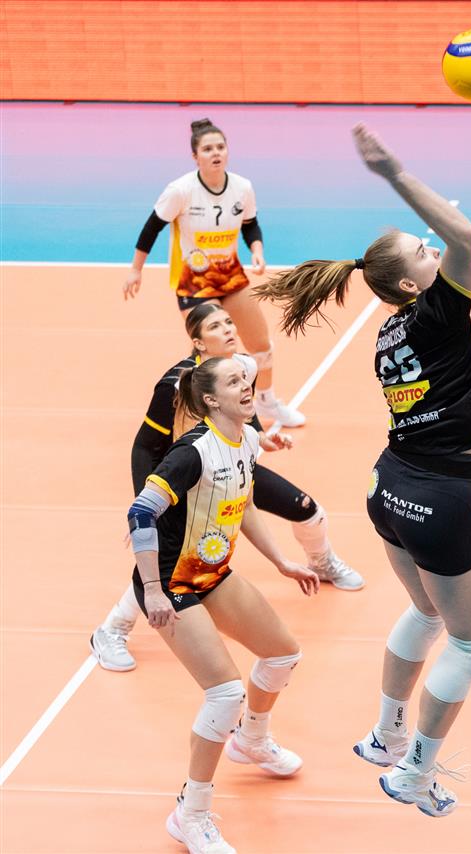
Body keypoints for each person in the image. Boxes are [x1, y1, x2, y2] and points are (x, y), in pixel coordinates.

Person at [256, 124, 471, 818]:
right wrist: (392, 172)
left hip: (388, 488)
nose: (435, 247)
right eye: (424, 251)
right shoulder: (439, 311)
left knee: (425, 610)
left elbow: (441, 413)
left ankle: (386, 735)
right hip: (438, 501)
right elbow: (467, 237)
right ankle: (415, 773)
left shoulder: (391, 332)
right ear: (415, 283)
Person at [91, 304, 364, 673]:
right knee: (175, 557)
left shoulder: (244, 367)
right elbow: (144, 445)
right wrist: (147, 501)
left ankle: (322, 562)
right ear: (199, 343)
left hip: (232, 464)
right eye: (216, 326)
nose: (229, 329)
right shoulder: (176, 384)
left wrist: (261, 438)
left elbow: (244, 417)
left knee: (305, 508)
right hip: (187, 474)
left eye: (229, 322)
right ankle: (113, 629)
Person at [127, 356, 319, 854]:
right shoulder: (191, 453)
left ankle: (251, 740)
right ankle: (190, 815)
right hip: (171, 582)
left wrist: (282, 562)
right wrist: (152, 590)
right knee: (225, 693)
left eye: (246, 378)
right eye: (234, 381)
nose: (246, 385)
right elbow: (140, 512)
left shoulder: (247, 438)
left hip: (211, 573)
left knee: (282, 654)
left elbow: (245, 505)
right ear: (211, 399)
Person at [124, 117, 305, 428]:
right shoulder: (181, 190)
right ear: (196, 156)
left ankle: (267, 401)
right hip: (194, 283)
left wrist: (257, 251)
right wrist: (135, 270)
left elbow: (250, 225)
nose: (216, 153)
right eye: (208, 149)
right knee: (215, 354)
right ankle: (197, 415)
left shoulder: (242, 187)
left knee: (261, 346)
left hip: (230, 276)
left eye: (220, 147)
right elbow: (151, 228)